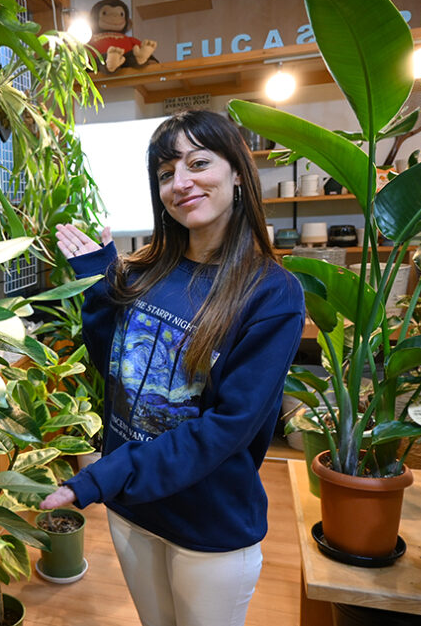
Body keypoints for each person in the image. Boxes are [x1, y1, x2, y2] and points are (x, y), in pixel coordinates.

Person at [40, 110, 305, 626]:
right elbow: (117, 371)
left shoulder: (272, 293)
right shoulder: (147, 270)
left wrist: (105, 474)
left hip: (208, 521)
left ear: (236, 173)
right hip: (134, 509)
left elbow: (228, 425)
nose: (180, 183)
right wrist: (99, 287)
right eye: (165, 173)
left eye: (198, 163)